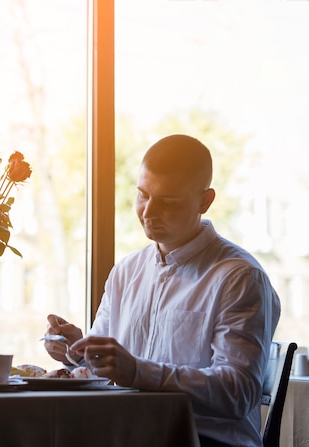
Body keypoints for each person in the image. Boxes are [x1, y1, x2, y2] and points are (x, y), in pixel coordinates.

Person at [44, 134, 280, 447]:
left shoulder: (238, 277)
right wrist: (77, 353)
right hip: (130, 434)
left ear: (204, 201)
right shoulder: (126, 272)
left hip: (208, 440)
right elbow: (106, 370)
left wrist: (138, 371)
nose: (148, 212)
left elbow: (237, 391)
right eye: (143, 195)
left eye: (168, 202)